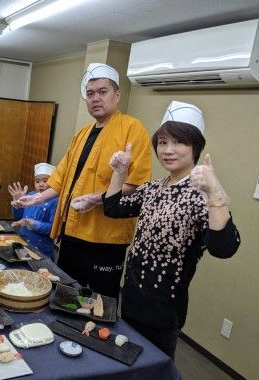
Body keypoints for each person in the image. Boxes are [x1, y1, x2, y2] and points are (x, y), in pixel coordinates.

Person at [103, 101, 241, 359]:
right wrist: (120, 173)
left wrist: (214, 191)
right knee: (126, 359)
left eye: (179, 142)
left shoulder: (201, 195)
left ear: (196, 147)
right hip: (131, 296)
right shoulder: (154, 187)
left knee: (153, 368)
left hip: (164, 308)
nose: (168, 150)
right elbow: (113, 208)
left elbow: (224, 248)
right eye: (163, 142)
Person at [13, 63, 152, 299]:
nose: (95, 98)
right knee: (66, 292)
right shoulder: (83, 133)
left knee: (99, 299)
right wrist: (36, 198)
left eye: (102, 92)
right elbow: (61, 177)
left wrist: (96, 199)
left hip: (105, 237)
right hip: (72, 231)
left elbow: (136, 184)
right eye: (90, 94)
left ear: (117, 95)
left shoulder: (132, 128)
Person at [8, 163, 59, 261]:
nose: (41, 184)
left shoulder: (55, 201)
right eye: (37, 181)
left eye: (45, 181)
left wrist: (33, 223)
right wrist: (18, 204)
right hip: (23, 243)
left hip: (41, 248)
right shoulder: (31, 195)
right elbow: (18, 217)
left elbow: (52, 229)